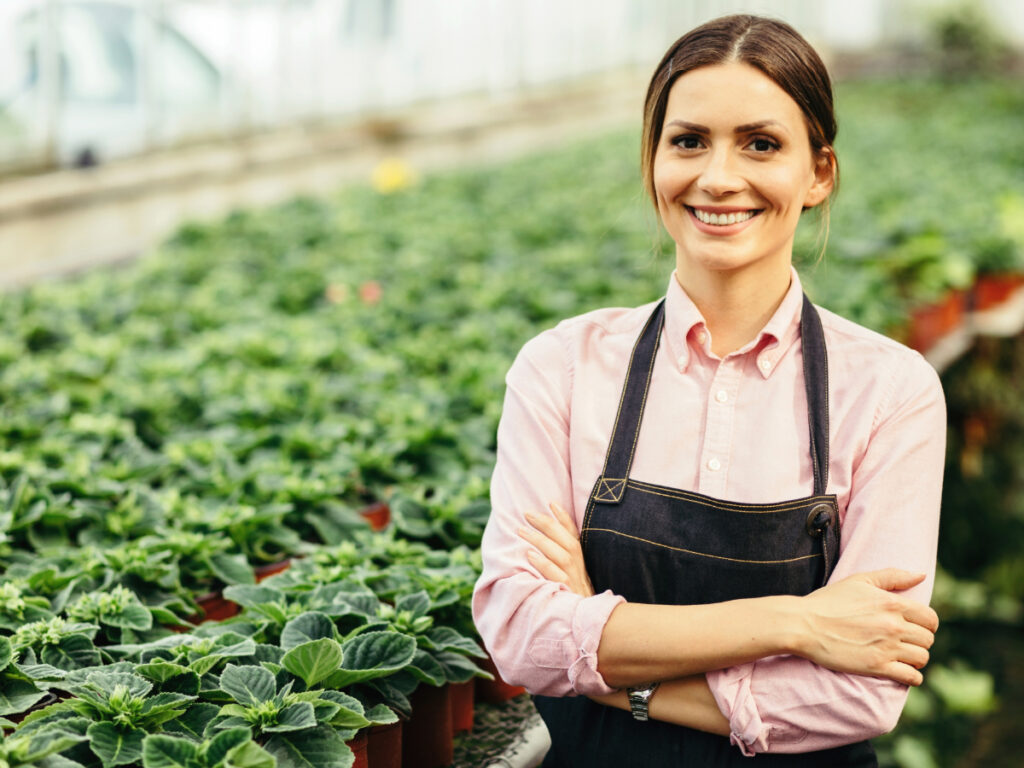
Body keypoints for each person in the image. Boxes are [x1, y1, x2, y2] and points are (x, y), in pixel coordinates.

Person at [471, 13, 946, 767]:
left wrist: (610, 673)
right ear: (653, 161)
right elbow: (522, 637)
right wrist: (796, 624)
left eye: (761, 143)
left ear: (817, 173)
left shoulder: (889, 391)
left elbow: (860, 694)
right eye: (688, 140)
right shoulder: (562, 367)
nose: (719, 176)